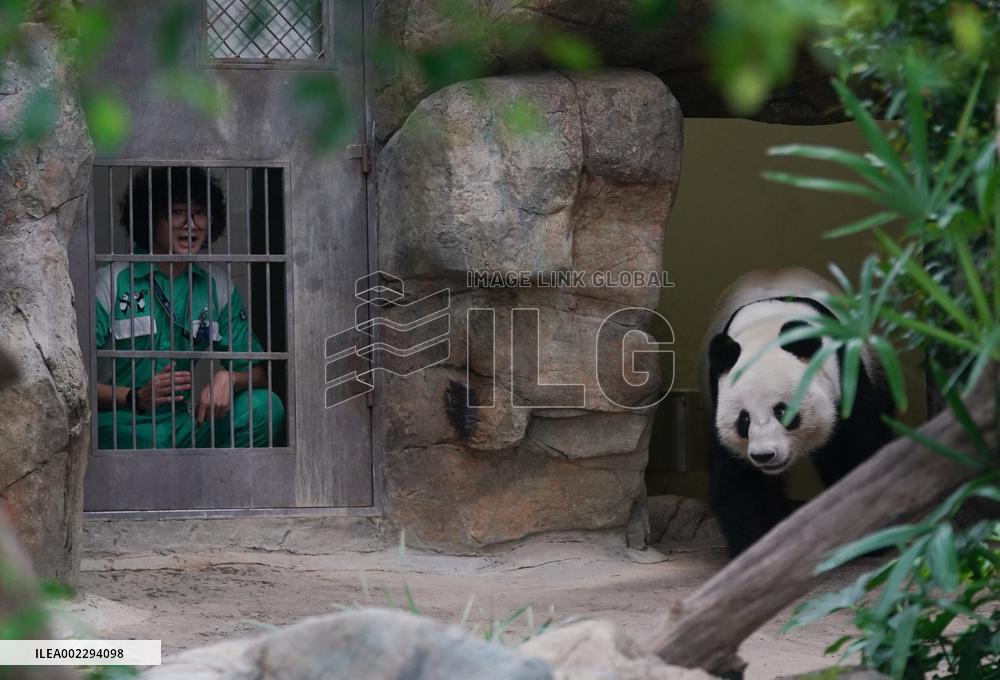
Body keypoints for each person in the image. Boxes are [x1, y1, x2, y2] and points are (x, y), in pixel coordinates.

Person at [94, 166, 284, 449]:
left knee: (265, 407)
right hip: (119, 429)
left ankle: (226, 490)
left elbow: (258, 371)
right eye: (178, 211)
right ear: (150, 217)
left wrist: (229, 377)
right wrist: (134, 397)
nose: (191, 224)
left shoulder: (216, 285)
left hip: (182, 427)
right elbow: (73, 383)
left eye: (200, 213)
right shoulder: (111, 280)